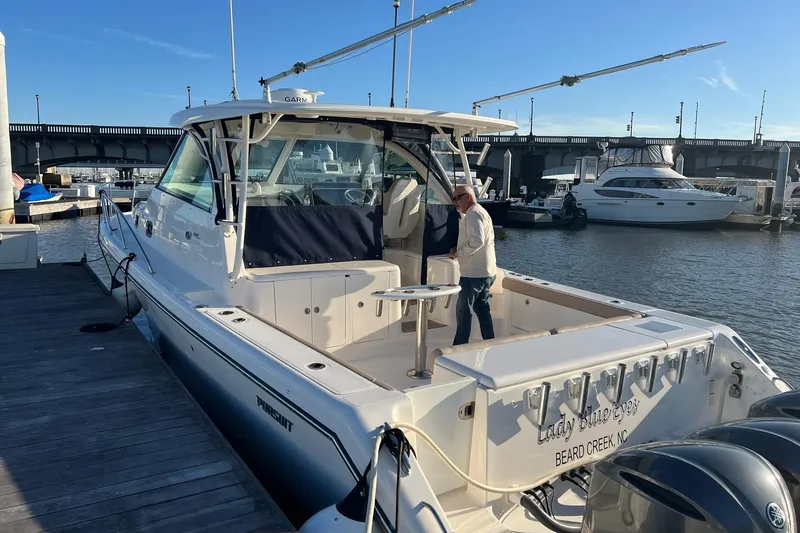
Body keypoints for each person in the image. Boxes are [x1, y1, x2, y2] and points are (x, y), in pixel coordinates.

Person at [448, 184, 497, 345]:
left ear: (468, 197)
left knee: (463, 311)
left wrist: (458, 253)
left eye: (457, 198)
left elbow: (477, 241)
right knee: (482, 308)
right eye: (453, 199)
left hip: (473, 275)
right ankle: (490, 342)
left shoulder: (472, 214)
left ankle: (459, 347)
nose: (455, 202)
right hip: (487, 272)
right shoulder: (481, 211)